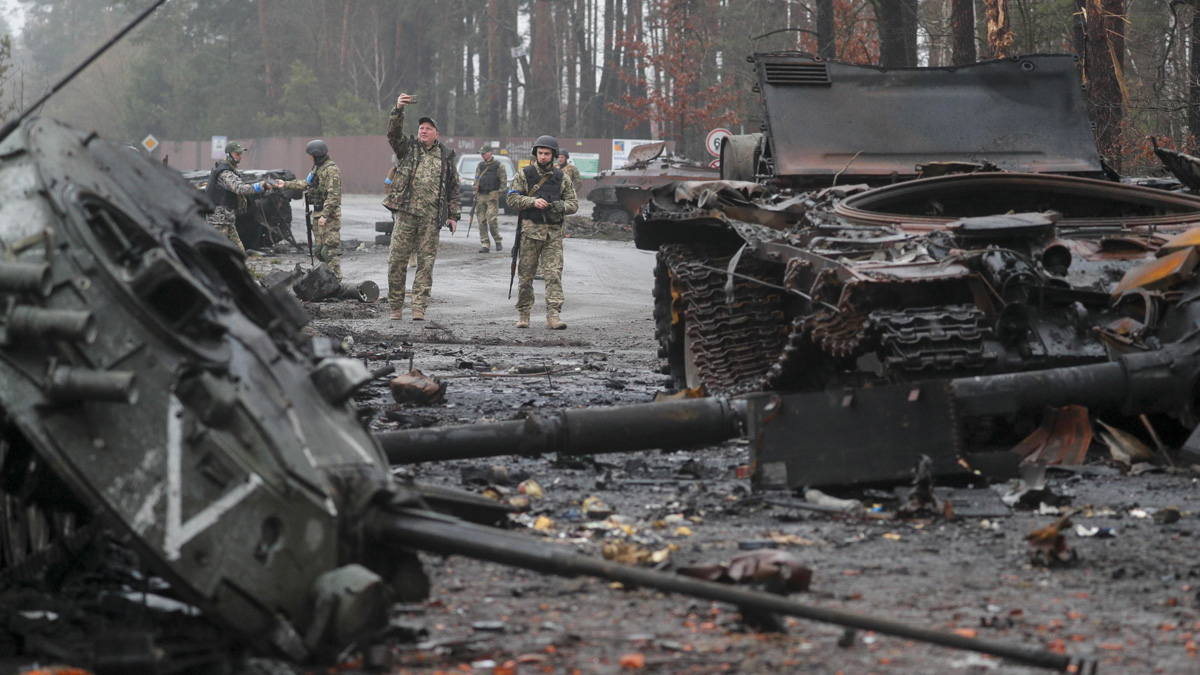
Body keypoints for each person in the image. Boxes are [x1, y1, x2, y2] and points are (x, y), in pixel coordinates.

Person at [383, 93, 460, 321]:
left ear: (436, 133)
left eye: (428, 128)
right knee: (397, 261)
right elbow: (392, 134)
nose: (423, 131)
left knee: (426, 265)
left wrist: (453, 215)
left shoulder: (445, 157)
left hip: (430, 219)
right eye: (421, 128)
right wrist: (398, 109)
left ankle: (419, 307)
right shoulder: (408, 149)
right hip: (406, 215)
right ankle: (396, 307)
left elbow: (453, 188)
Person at [507, 135, 578, 330]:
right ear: (536, 154)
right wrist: (532, 202)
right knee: (526, 276)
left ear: (554, 155)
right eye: (540, 153)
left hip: (553, 234)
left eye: (547, 153)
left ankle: (553, 315)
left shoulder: (562, 178)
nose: (543, 157)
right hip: (530, 233)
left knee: (553, 274)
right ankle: (524, 314)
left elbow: (574, 204)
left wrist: (558, 206)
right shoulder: (525, 175)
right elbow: (512, 199)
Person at [281, 140, 343, 278]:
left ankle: (337, 279)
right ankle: (327, 279)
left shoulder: (331, 170)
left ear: (316, 155)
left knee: (328, 251)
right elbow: (306, 183)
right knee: (319, 251)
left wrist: (325, 215)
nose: (309, 158)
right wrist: (285, 184)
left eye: (310, 155)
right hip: (317, 213)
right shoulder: (317, 168)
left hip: (329, 215)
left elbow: (334, 195)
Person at [205, 141, 281, 252]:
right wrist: (261, 186)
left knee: (238, 252)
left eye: (241, 154)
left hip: (226, 218)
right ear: (229, 154)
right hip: (218, 219)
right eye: (237, 154)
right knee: (217, 253)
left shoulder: (229, 169)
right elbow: (239, 188)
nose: (240, 157)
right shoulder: (225, 172)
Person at [474, 144, 507, 253]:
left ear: (490, 152)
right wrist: (475, 191)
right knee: (481, 220)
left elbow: (503, 182)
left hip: (492, 197)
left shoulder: (499, 166)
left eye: (484, 153)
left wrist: (499, 193)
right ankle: (485, 243)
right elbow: (477, 179)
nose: (482, 155)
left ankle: (497, 239)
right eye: (481, 154)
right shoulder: (480, 165)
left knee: (491, 219)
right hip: (481, 196)